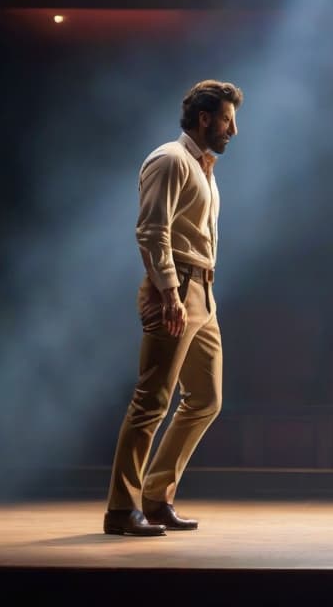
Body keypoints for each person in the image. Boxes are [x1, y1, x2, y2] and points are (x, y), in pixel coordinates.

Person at [103, 80, 242, 536]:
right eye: (226, 119)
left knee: (206, 399)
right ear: (204, 118)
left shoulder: (204, 168)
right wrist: (169, 293)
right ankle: (122, 510)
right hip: (177, 285)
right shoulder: (169, 159)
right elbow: (152, 230)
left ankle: (157, 496)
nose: (232, 130)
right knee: (153, 401)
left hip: (203, 288)